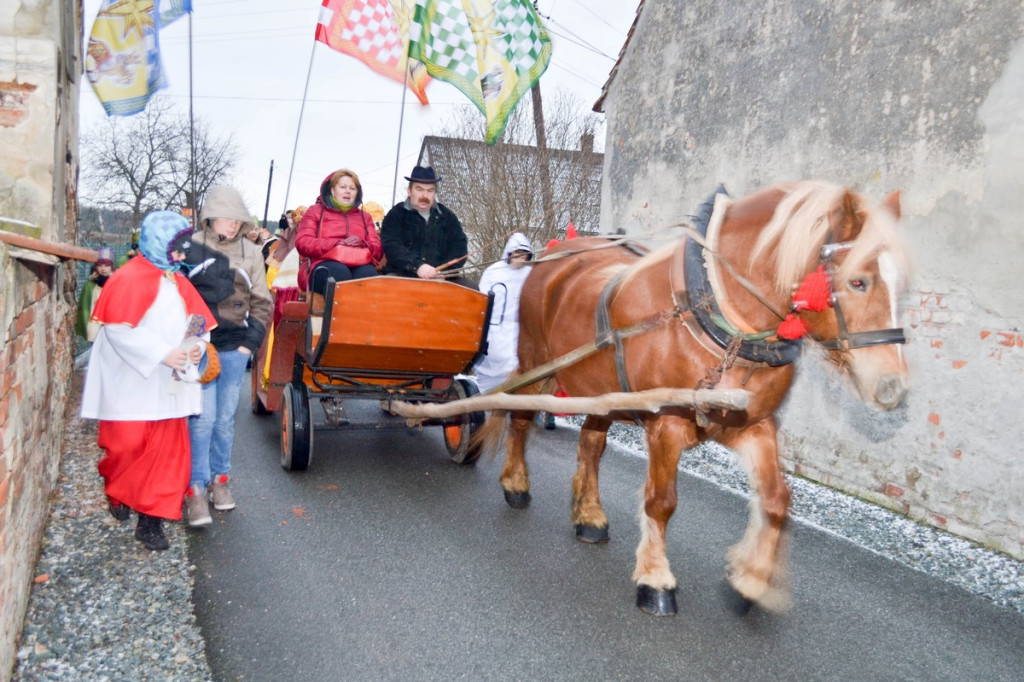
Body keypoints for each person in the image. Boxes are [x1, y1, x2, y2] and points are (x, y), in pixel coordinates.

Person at [80, 211, 214, 551]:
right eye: (177, 250)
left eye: (185, 251)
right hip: (131, 381)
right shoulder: (126, 278)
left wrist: (197, 349)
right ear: (158, 244)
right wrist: (161, 353)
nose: (182, 258)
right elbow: (118, 331)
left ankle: (151, 521)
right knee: (126, 445)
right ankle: (119, 489)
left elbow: (199, 325)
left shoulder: (178, 281)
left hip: (170, 383)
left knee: (167, 454)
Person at [184, 186, 273, 527]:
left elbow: (262, 301)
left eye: (238, 220)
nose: (233, 226)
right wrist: (188, 343)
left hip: (235, 347)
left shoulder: (251, 252)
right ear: (210, 216)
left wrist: (248, 345)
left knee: (224, 421)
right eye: (227, 218)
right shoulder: (189, 247)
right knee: (201, 420)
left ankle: (219, 481)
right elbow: (178, 296)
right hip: (199, 347)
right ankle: (194, 488)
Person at [296, 169, 383, 294]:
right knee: (339, 273)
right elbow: (302, 242)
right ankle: (338, 314)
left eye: (352, 188)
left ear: (357, 193)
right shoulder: (315, 211)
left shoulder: (365, 217)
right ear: (332, 190)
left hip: (359, 262)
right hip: (322, 263)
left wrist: (363, 244)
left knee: (368, 274)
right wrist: (337, 244)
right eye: (343, 187)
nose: (348, 191)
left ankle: (358, 313)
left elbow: (378, 250)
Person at [380, 165, 469, 284]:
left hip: (441, 278)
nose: (424, 196)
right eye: (419, 189)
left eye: (430, 190)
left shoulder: (447, 217)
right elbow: (392, 246)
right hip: (402, 275)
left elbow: (459, 246)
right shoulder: (396, 215)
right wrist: (418, 266)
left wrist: (443, 272)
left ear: (435, 193)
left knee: (474, 291)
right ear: (409, 191)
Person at [474, 233, 533, 393]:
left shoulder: (530, 274)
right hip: (493, 330)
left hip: (517, 330)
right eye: (517, 253)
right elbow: (481, 301)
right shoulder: (493, 272)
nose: (521, 258)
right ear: (509, 253)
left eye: (525, 255)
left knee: (515, 368)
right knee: (489, 371)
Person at [75, 247, 115, 342]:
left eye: (107, 265)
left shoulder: (117, 283)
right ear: (95, 266)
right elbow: (84, 308)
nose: (103, 268)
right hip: (95, 325)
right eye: (100, 265)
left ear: (111, 266)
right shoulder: (89, 285)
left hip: (112, 325)